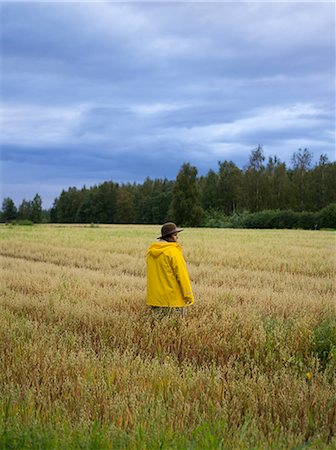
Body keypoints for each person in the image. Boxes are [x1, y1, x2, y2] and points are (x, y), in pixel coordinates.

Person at [146, 222, 194, 316]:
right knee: (176, 329)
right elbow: (182, 275)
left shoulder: (150, 253)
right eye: (176, 235)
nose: (177, 238)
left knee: (158, 329)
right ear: (171, 236)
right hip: (173, 301)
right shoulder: (173, 252)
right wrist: (188, 296)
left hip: (155, 301)